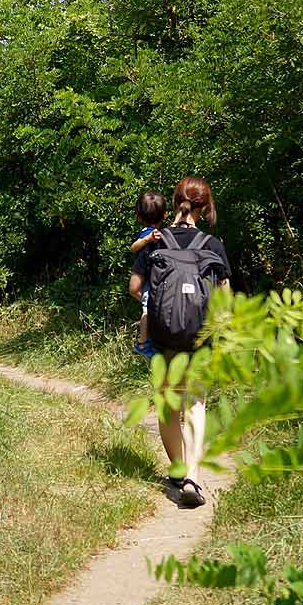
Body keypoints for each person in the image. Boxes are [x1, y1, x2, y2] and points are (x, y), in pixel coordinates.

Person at [128, 176, 231, 509]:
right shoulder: (212, 245)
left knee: (169, 404)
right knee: (196, 405)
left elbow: (135, 287)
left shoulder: (155, 241)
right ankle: (194, 479)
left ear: (174, 203)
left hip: (164, 337)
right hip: (200, 337)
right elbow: (225, 298)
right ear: (206, 207)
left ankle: (178, 470)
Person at [128, 192, 170, 358]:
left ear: (138, 216)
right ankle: (142, 343)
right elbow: (134, 247)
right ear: (165, 215)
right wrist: (147, 239)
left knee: (150, 308)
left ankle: (148, 340)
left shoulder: (161, 234)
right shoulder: (147, 233)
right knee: (147, 309)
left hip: (152, 280)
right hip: (147, 280)